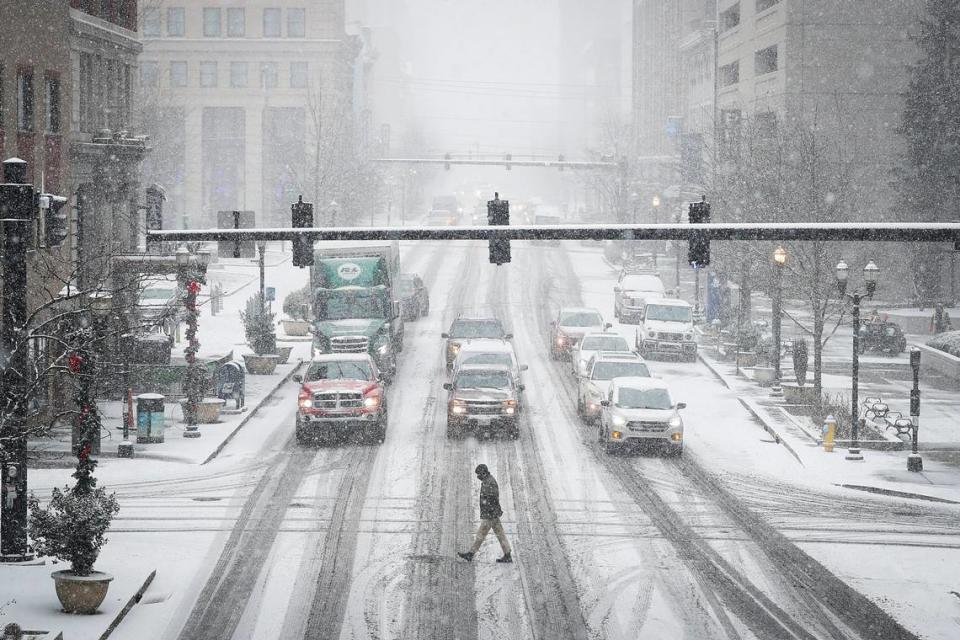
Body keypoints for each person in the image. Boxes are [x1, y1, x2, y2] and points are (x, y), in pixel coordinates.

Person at [458, 464, 512, 563]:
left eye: (479, 474)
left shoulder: (489, 482)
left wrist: (489, 509)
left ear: (483, 472)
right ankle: (507, 554)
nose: (478, 476)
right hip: (492, 513)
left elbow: (493, 497)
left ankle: (471, 554)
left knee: (481, 534)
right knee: (500, 534)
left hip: (490, 514)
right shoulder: (487, 481)